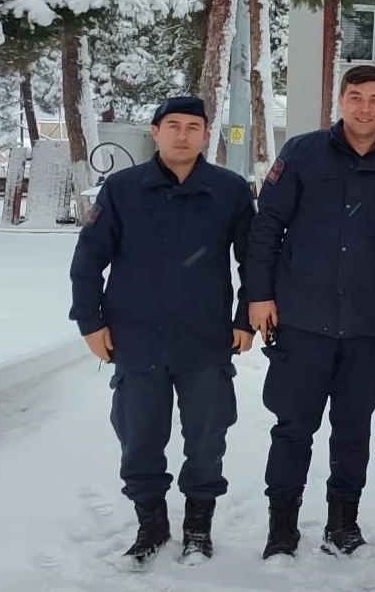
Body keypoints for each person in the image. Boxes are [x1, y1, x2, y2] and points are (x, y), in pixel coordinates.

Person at [244, 65, 375, 559]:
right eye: (356, 97)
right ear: (341, 101)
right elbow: (267, 227)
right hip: (302, 320)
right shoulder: (302, 153)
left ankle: (343, 522)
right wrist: (259, 295)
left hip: (367, 324)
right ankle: (282, 525)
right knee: (292, 428)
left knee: (353, 429)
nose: (365, 108)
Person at [68, 95, 254, 570]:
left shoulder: (229, 190)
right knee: (140, 438)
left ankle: (198, 527)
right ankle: (151, 525)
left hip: (206, 340)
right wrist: (90, 321)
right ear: (156, 132)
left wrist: (244, 320)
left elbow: (253, 261)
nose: (182, 135)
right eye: (173, 125)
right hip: (136, 338)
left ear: (206, 135)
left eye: (193, 127)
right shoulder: (123, 189)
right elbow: (88, 259)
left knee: (207, 437)